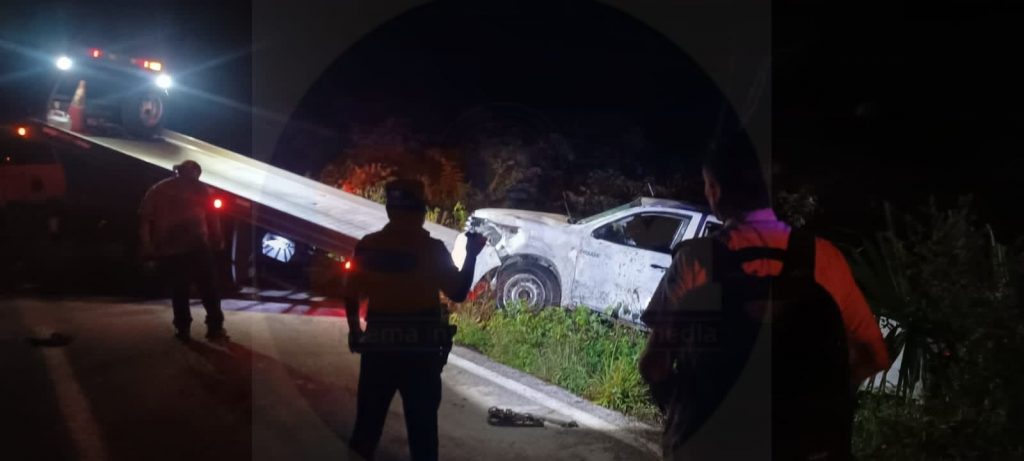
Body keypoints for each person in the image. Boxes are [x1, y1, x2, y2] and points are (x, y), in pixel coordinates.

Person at [639, 150, 889, 460]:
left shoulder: (694, 259)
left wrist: (683, 402)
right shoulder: (823, 259)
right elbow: (875, 356)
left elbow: (654, 365)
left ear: (714, 188)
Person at [344, 178, 486, 461]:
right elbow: (458, 292)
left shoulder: (368, 246)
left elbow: (351, 293)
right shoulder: (432, 250)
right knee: (423, 435)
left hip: (378, 350)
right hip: (420, 355)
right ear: (421, 211)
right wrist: (471, 255)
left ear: (389, 210)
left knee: (366, 428)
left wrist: (354, 330)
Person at [139, 160, 226, 342]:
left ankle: (186, 328)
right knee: (205, 288)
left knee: (182, 289)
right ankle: (212, 327)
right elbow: (212, 216)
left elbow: (145, 219)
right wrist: (217, 237)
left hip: (177, 246)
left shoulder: (160, 189)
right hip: (191, 245)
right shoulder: (198, 189)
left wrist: (148, 245)